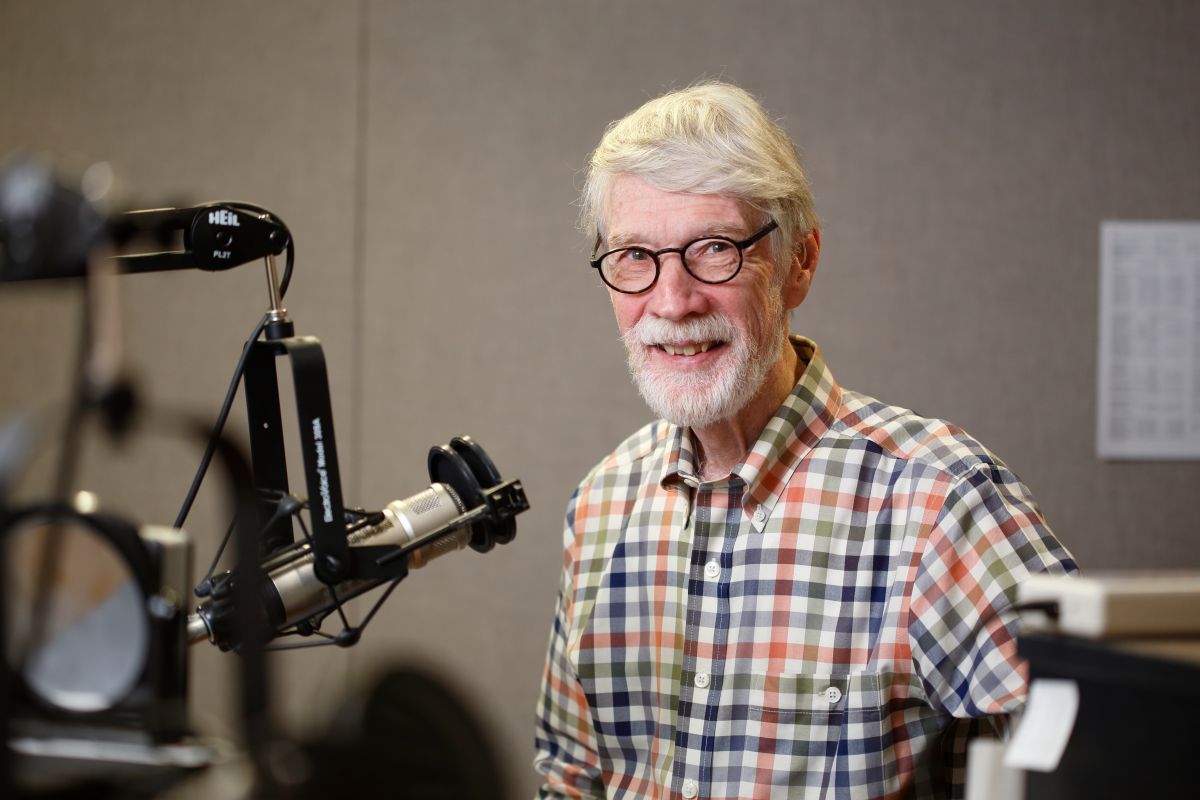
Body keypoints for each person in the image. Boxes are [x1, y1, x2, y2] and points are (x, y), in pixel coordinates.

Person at [533, 82, 1076, 800]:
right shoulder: (602, 508)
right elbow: (570, 777)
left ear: (800, 262)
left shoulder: (939, 502)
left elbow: (1104, 755)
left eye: (715, 248)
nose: (672, 301)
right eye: (635, 255)